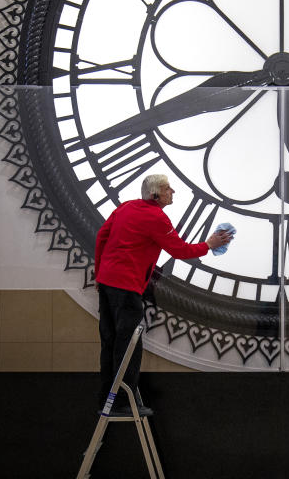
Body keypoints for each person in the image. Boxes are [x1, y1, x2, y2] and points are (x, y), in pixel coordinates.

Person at [94, 173, 232, 416]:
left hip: (106, 283)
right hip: (127, 288)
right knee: (128, 346)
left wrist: (99, 272)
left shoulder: (125, 207)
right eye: (169, 189)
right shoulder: (157, 218)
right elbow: (180, 250)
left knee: (110, 341)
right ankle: (122, 403)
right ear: (156, 194)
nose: (173, 192)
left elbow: (102, 236)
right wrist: (209, 244)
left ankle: (106, 400)